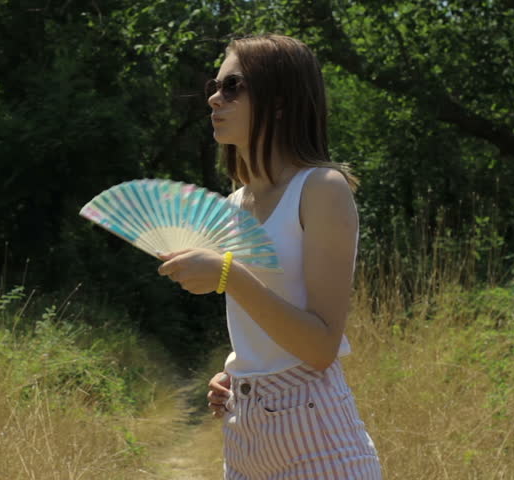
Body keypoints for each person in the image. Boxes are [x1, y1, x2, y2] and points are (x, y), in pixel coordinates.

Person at [156, 34, 382, 479]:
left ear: (279, 101)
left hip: (318, 442)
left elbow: (320, 348)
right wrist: (242, 374)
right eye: (214, 88)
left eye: (233, 86)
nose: (215, 100)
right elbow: (269, 325)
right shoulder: (235, 204)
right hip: (244, 438)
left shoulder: (321, 189)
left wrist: (228, 274)